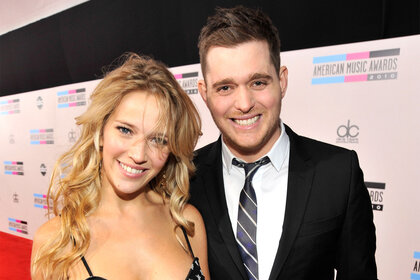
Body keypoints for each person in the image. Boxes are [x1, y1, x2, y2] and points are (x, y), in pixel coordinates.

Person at [189, 6, 377, 280]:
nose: (244, 104)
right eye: (225, 88)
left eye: (258, 82)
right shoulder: (183, 178)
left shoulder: (338, 173)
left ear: (282, 80)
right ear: (205, 94)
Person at [31, 53, 210, 280]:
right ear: (101, 130)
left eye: (158, 140)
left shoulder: (187, 223)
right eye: (125, 130)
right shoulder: (55, 241)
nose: (138, 155)